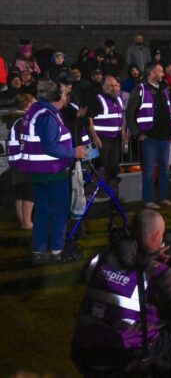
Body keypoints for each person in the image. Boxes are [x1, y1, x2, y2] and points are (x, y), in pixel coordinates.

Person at [71, 208, 171, 377]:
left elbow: (117, 275)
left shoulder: (104, 256)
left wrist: (150, 259)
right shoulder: (158, 273)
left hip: (84, 346)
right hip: (121, 355)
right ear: (155, 237)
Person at [19, 80, 88, 264]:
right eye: (64, 94)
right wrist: (75, 152)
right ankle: (57, 250)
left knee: (42, 211)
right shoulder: (48, 115)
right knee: (59, 211)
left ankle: (39, 251)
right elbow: (51, 146)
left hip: (40, 172)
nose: (66, 97)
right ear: (56, 96)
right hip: (52, 172)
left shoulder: (38, 111)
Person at [126, 63, 171, 209]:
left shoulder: (164, 89)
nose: (163, 73)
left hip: (164, 137)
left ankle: (163, 197)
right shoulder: (140, 89)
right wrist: (138, 133)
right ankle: (148, 200)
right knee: (148, 170)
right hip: (149, 137)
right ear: (152, 73)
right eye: (160, 71)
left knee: (164, 170)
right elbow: (130, 113)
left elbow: (169, 112)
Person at [89, 74, 127, 185]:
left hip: (115, 138)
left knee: (114, 166)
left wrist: (123, 130)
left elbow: (120, 116)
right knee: (100, 167)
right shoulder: (97, 100)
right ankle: (98, 192)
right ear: (103, 87)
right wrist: (95, 137)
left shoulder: (118, 99)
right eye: (111, 86)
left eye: (115, 85)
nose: (114, 88)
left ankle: (112, 193)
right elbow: (89, 119)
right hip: (101, 139)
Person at [5, 94, 35, 229]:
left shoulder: (15, 120)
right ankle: (27, 222)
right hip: (24, 163)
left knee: (20, 193)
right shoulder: (24, 121)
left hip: (15, 163)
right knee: (29, 193)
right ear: (28, 104)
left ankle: (22, 221)